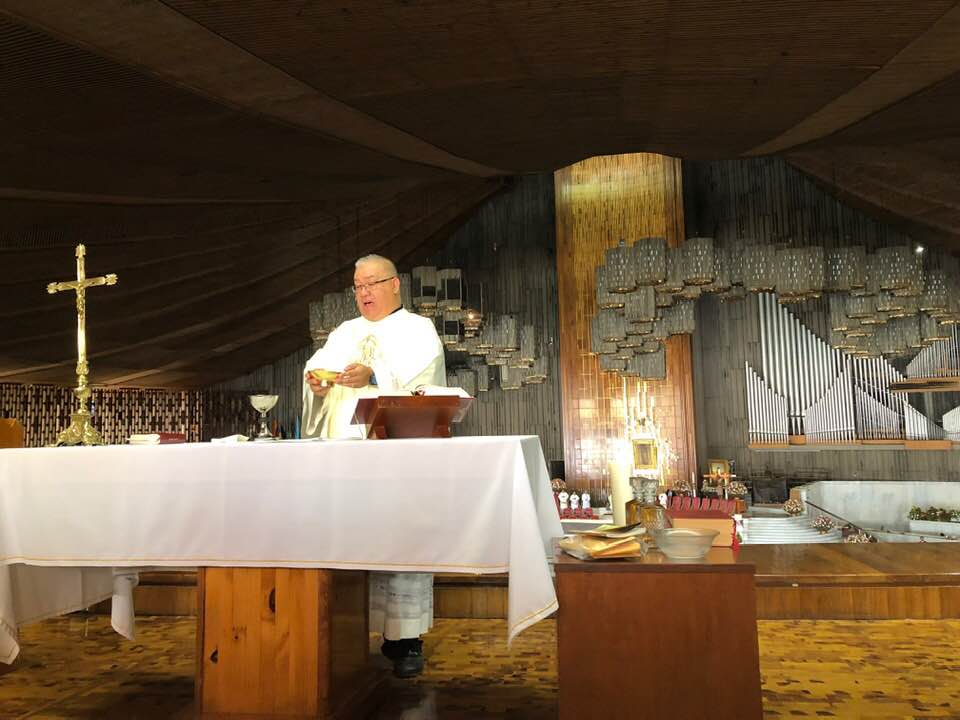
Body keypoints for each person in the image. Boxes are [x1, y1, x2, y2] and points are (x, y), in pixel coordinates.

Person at [301, 254, 445, 678]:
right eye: (357, 286)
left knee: (397, 539)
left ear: (395, 284)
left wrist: (375, 376)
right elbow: (317, 368)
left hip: (394, 453)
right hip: (344, 454)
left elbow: (426, 383)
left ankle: (403, 640)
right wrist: (315, 382)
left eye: (371, 283)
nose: (363, 292)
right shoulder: (345, 331)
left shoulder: (418, 329)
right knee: (344, 536)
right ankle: (341, 630)